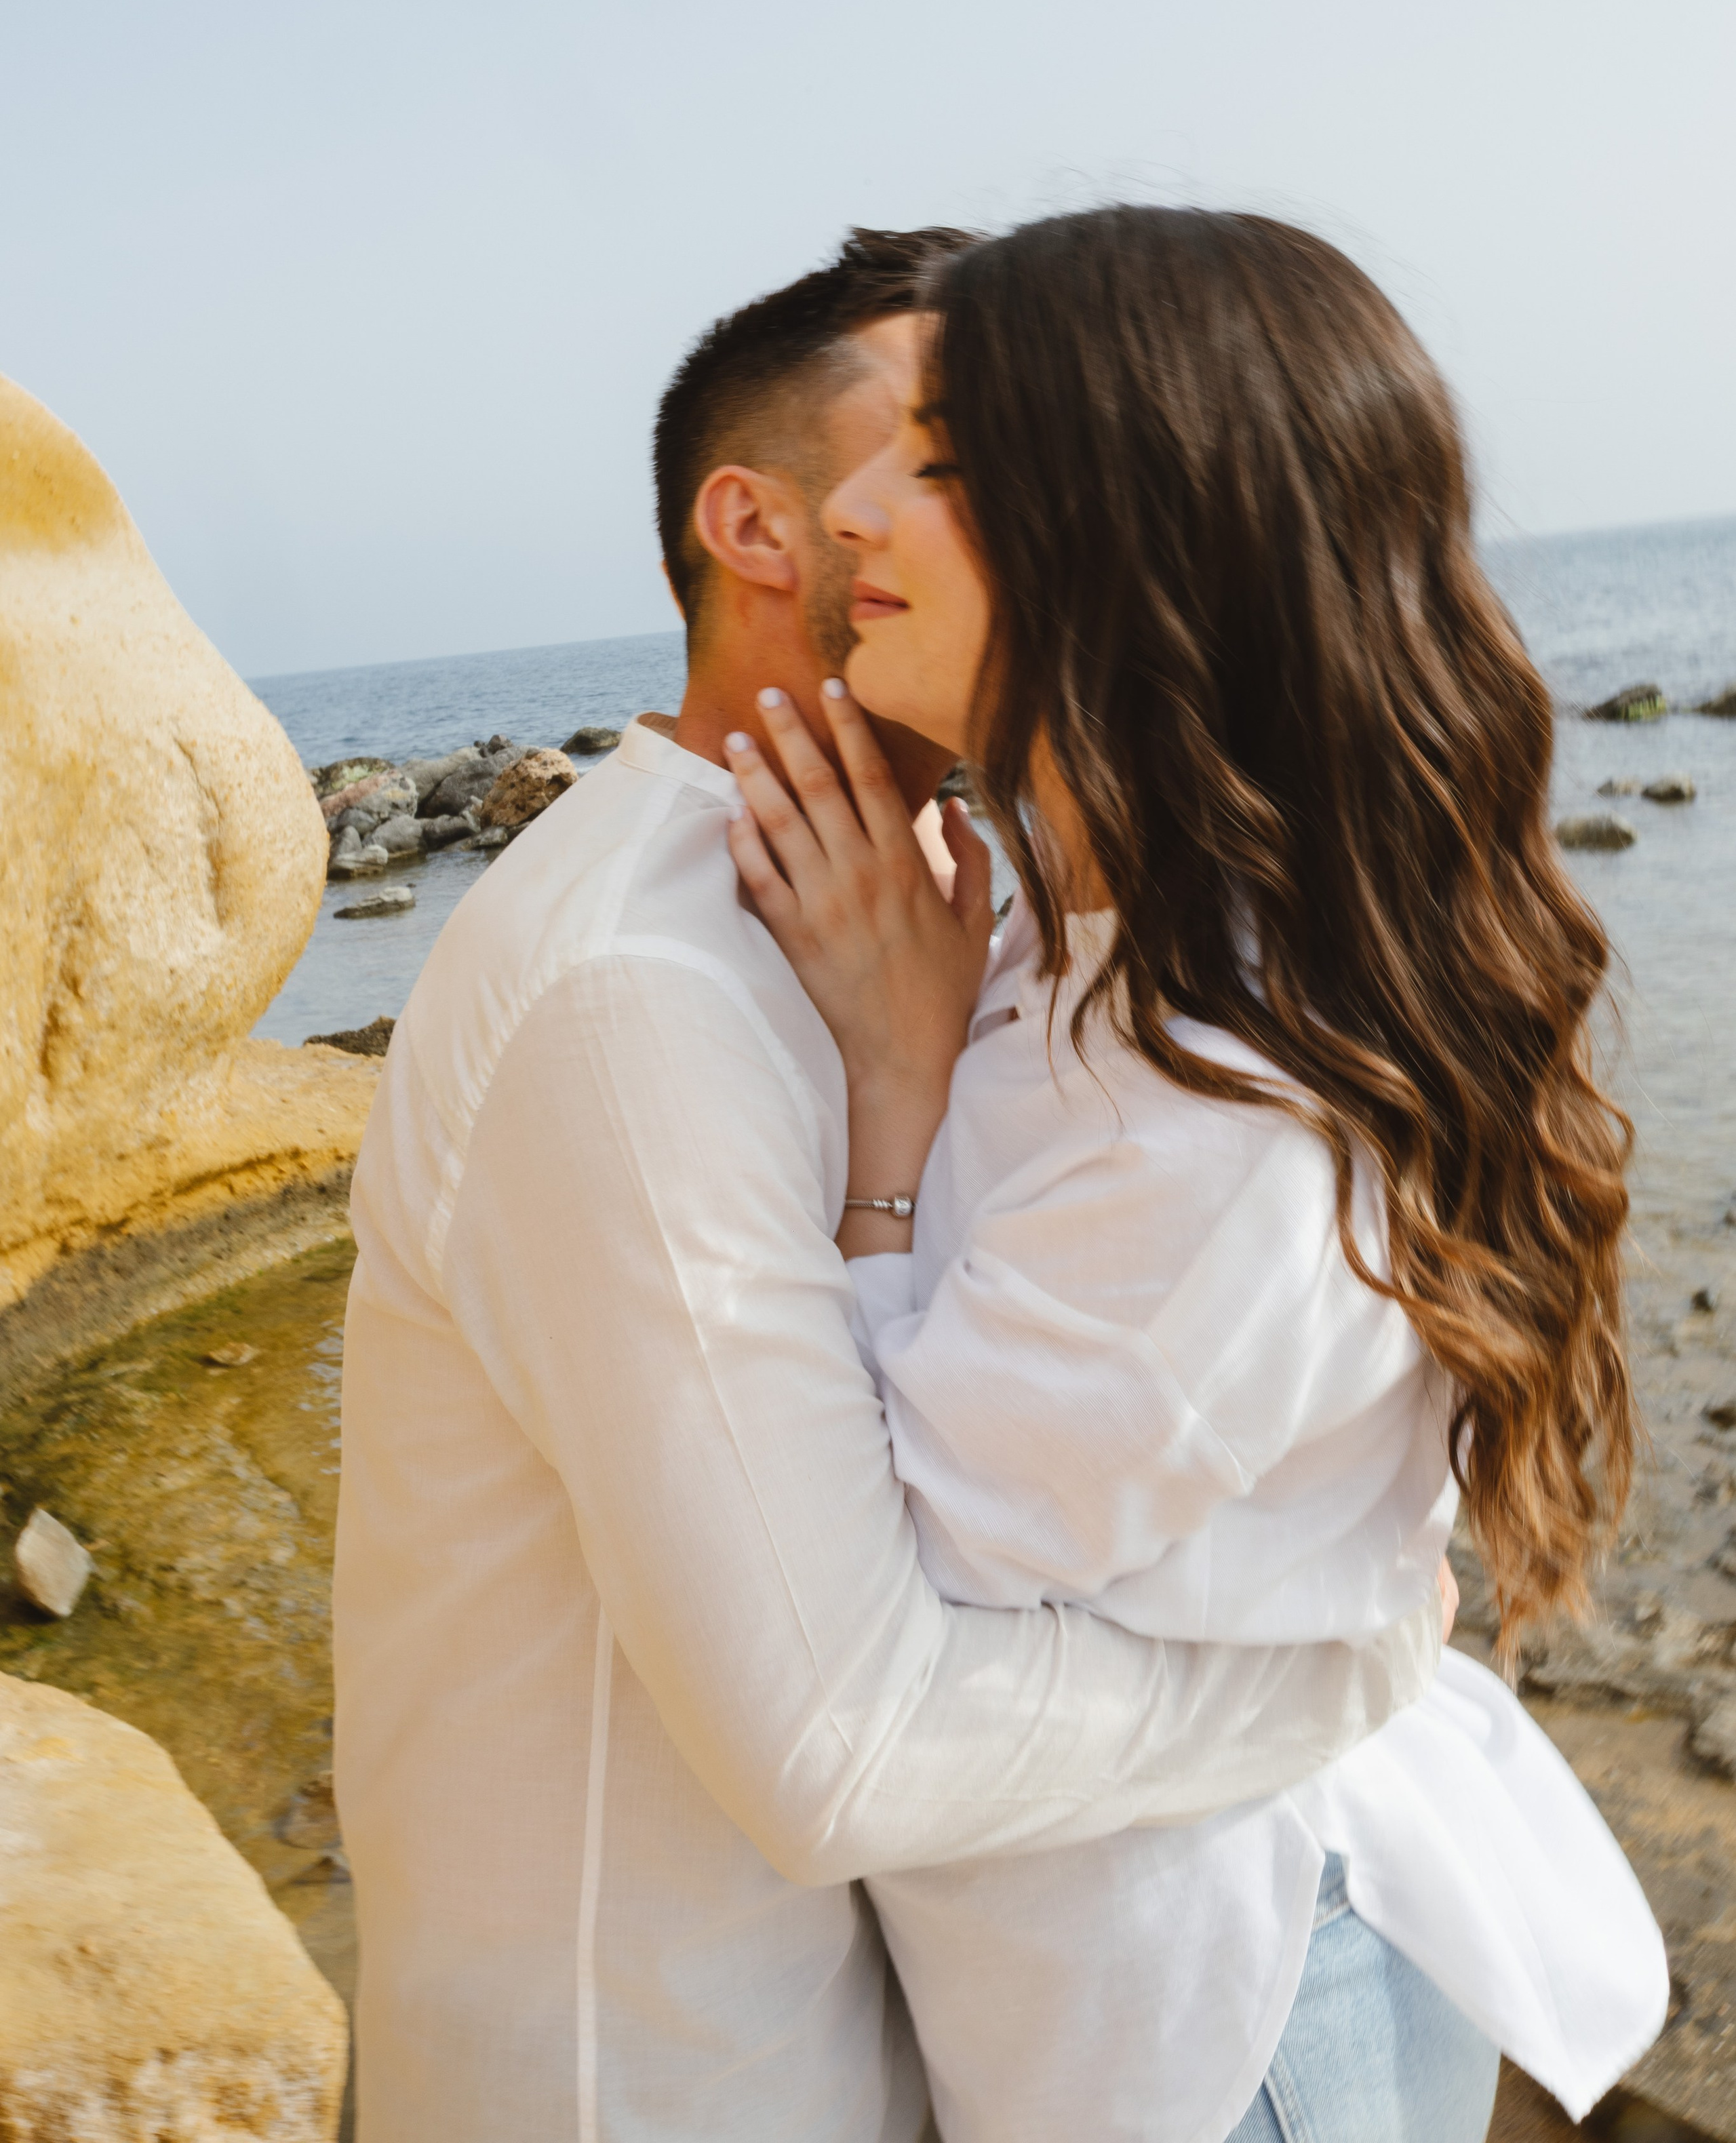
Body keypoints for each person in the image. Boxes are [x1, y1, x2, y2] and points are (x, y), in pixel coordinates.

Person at [332, 228, 1444, 2143]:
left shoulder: (998, 920)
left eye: (952, 454)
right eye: (899, 440)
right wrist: (1325, 1682)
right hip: (675, 2084)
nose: (879, 505)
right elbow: (851, 1721)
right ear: (759, 534)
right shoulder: (643, 985)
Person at [726, 204, 1670, 2143]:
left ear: (1145, 540)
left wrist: (890, 1109)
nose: (855, 511)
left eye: (952, 466)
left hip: (1218, 2033)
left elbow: (897, 1583)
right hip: (1116, 1989)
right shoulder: (1075, 931)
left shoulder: (1230, 1096)